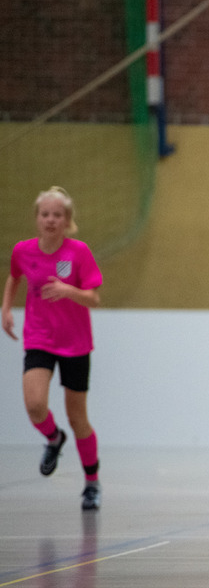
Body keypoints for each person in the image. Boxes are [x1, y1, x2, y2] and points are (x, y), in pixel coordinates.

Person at [2, 187, 104, 510]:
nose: (50, 220)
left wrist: (68, 290)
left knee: (78, 418)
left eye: (57, 215)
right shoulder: (23, 251)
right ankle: (53, 438)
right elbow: (14, 276)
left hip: (75, 342)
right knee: (35, 404)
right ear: (37, 218)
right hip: (39, 338)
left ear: (67, 220)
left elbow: (94, 298)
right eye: (45, 214)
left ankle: (92, 481)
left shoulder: (78, 253)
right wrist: (6, 308)